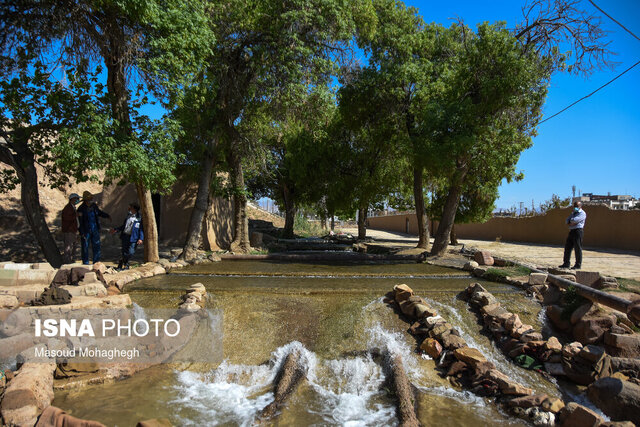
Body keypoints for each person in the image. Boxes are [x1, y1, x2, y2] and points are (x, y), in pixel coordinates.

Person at [77, 191, 111, 265]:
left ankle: (96, 262)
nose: (91, 200)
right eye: (89, 199)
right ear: (86, 200)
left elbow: (99, 212)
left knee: (96, 245)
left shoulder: (94, 206)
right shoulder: (81, 209)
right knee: (85, 247)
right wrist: (81, 232)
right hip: (86, 231)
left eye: (91, 198)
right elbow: (79, 222)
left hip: (95, 229)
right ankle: (85, 263)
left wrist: (107, 216)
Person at [111, 203, 144, 270]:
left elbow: (141, 229)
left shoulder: (139, 218)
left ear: (134, 209)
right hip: (125, 236)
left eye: (131, 207)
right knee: (124, 251)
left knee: (131, 252)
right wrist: (116, 229)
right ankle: (126, 265)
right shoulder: (128, 216)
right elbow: (124, 226)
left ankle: (121, 261)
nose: (129, 208)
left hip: (134, 237)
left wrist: (141, 238)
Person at [559, 201, 587, 270]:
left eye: (576, 206)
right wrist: (570, 222)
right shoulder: (573, 213)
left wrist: (571, 221)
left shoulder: (582, 213)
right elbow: (567, 220)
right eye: (574, 206)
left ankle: (578, 265)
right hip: (572, 231)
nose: (575, 208)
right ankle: (566, 263)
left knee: (577, 248)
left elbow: (575, 221)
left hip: (578, 231)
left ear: (580, 206)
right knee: (567, 247)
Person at [61, 193, 80, 264]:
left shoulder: (73, 207)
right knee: (68, 247)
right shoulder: (68, 208)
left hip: (73, 230)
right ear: (72, 199)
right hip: (69, 230)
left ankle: (71, 260)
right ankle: (67, 262)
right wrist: (75, 215)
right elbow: (67, 218)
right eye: (76, 199)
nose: (77, 200)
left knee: (73, 247)